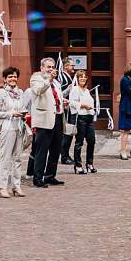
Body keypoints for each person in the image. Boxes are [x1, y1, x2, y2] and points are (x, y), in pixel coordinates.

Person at [28, 57, 67, 188]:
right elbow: (38, 91)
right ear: (42, 68)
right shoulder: (36, 78)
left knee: (56, 150)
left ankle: (50, 176)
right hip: (44, 119)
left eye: (52, 67)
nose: (51, 69)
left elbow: (56, 97)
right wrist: (49, 80)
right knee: (41, 150)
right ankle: (38, 178)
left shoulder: (56, 83)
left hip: (58, 118)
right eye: (48, 67)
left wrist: (63, 102)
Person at [0, 66, 29, 198]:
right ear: (5, 79)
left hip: (19, 127)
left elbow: (23, 107)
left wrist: (25, 114)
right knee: (6, 158)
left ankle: (16, 186)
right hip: (7, 127)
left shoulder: (20, 93)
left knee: (18, 158)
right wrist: (10, 113)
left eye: (14, 76)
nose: (13, 79)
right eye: (10, 77)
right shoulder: (0, 93)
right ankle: (3, 186)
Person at [68, 70, 98, 174]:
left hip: (89, 118)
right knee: (79, 142)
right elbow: (71, 103)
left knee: (92, 141)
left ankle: (89, 163)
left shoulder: (86, 90)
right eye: (81, 77)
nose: (83, 79)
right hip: (80, 118)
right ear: (77, 78)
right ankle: (78, 165)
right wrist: (83, 105)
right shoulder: (75, 89)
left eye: (85, 77)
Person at [57, 57, 76, 164]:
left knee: (68, 133)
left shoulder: (68, 77)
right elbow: (59, 94)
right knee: (67, 133)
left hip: (69, 109)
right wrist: (69, 90)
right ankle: (64, 156)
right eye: (72, 65)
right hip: (65, 110)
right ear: (65, 66)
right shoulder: (62, 78)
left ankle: (65, 155)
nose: (74, 67)